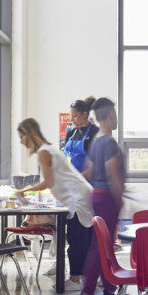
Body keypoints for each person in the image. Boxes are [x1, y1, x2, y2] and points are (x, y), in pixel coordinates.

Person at [77, 97, 125, 295]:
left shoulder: (96, 141)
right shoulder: (109, 143)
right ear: (111, 114)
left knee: (105, 244)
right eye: (115, 113)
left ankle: (109, 286)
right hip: (107, 197)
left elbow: (89, 170)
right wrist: (119, 197)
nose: (116, 118)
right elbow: (112, 173)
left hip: (96, 195)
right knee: (100, 247)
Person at [16, 118, 93, 237]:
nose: (21, 141)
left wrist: (24, 192)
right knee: (81, 241)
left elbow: (48, 182)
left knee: (77, 244)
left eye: (22, 136)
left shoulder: (44, 152)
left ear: (29, 135)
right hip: (82, 195)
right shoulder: (50, 149)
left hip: (78, 199)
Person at [60, 98, 98, 276]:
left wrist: (76, 179)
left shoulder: (95, 133)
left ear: (84, 114)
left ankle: (87, 275)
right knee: (75, 234)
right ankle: (76, 273)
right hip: (73, 190)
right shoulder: (71, 133)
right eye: (71, 116)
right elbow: (66, 159)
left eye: (74, 116)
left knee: (88, 235)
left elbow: (95, 166)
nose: (71, 119)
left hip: (89, 189)